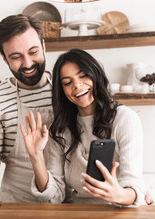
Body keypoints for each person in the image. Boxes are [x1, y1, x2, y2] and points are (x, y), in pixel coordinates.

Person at [20, 48, 145, 206]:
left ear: (96, 75)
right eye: (67, 82)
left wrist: (118, 195)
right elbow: (55, 196)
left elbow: (134, 189)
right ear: (62, 91)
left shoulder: (125, 119)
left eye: (83, 76)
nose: (77, 86)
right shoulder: (59, 129)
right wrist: (36, 155)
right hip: (77, 215)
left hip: (119, 212)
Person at [0, 14, 65, 203]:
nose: (27, 64)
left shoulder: (66, 91)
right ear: (4, 58)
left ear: (44, 47)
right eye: (16, 57)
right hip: (17, 208)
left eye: (33, 52)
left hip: (68, 206)